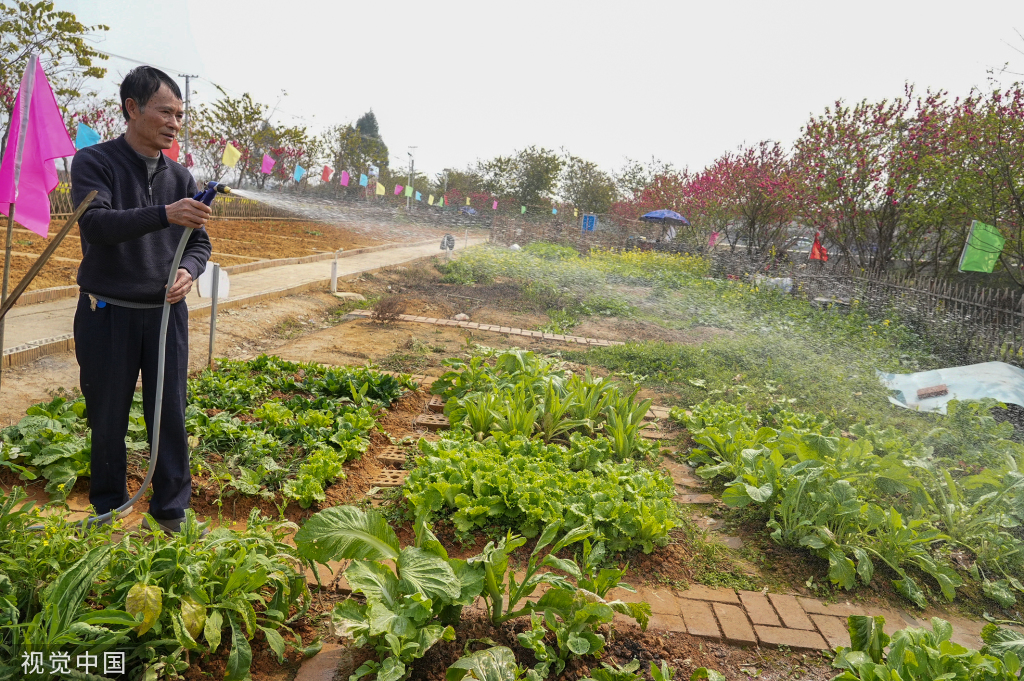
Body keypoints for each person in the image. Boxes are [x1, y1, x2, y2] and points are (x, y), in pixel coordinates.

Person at [70, 66, 212, 533]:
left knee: (168, 412)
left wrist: (189, 271)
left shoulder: (181, 175)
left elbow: (198, 242)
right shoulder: (95, 163)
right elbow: (97, 225)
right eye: (165, 112)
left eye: (179, 114)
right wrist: (163, 214)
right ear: (132, 109)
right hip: (107, 312)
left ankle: (171, 515)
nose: (174, 122)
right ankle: (109, 513)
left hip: (166, 315)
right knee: (107, 417)